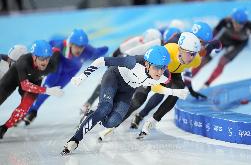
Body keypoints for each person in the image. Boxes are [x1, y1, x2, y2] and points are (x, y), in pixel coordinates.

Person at [60, 45, 191, 155]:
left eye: (163, 67)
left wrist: (174, 92)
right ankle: (75, 140)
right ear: (146, 64)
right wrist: (82, 76)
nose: (160, 72)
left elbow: (156, 88)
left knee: (112, 122)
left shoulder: (164, 76)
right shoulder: (132, 62)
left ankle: (90, 115)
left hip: (127, 91)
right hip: (114, 77)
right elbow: (101, 61)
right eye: (157, 67)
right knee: (105, 107)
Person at [23, 29, 109, 125]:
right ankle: (31, 111)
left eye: (82, 47)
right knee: (49, 86)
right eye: (77, 46)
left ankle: (31, 110)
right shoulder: (60, 45)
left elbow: (100, 51)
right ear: (71, 44)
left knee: (53, 90)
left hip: (69, 73)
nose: (79, 50)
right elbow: (48, 44)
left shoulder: (88, 51)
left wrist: (109, 49)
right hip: (58, 66)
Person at [80, 28, 162, 115]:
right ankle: (89, 102)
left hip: (134, 70)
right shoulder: (135, 41)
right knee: (106, 82)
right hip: (122, 64)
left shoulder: (151, 49)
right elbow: (115, 53)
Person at [0, 40, 64, 139]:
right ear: (34, 57)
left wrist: (60, 45)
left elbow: (56, 50)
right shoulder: (23, 62)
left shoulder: (52, 65)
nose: (45, 62)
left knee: (25, 106)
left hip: (33, 81)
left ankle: (3, 129)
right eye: (42, 59)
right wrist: (47, 90)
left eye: (47, 59)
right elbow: (25, 85)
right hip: (14, 79)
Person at [192, 8, 251, 87]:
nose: (238, 26)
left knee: (222, 62)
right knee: (204, 60)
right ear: (232, 19)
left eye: (241, 24)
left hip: (238, 45)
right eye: (236, 22)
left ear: (245, 22)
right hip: (224, 40)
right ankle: (188, 79)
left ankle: (207, 84)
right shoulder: (225, 21)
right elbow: (212, 35)